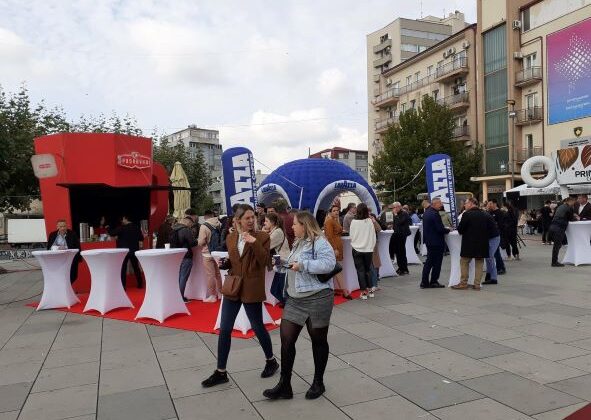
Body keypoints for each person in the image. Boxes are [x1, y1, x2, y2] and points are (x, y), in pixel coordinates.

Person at [202, 204, 278, 388]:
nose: (251, 220)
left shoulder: (262, 236)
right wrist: (226, 263)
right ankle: (221, 372)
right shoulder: (230, 237)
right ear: (238, 221)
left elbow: (265, 261)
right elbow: (235, 262)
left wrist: (253, 241)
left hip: (252, 286)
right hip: (234, 286)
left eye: (253, 217)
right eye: (247, 218)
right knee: (225, 328)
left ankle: (271, 361)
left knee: (258, 326)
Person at [263, 211, 336, 401]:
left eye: (295, 224)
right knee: (287, 340)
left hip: (318, 297)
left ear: (305, 225)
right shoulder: (297, 242)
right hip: (295, 299)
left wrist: (302, 265)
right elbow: (293, 264)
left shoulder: (319, 241)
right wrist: (279, 264)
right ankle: (284, 385)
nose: (292, 227)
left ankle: (318, 382)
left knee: (318, 340)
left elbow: (329, 264)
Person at [452, 198, 489, 290]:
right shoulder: (484, 214)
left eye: (466, 203)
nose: (465, 205)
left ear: (471, 203)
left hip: (469, 243)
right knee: (479, 263)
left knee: (464, 262)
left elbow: (460, 229)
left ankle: (463, 283)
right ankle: (477, 284)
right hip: (482, 243)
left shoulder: (467, 214)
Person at [323, 205, 352, 299]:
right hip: (334, 247)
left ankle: (332, 289)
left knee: (334, 269)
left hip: (337, 246)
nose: (336, 212)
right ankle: (344, 291)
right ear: (330, 212)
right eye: (334, 210)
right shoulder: (329, 221)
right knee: (337, 269)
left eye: (337, 210)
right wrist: (334, 248)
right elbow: (329, 237)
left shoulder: (334, 220)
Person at [108, 215, 144, 288]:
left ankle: (123, 286)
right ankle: (140, 284)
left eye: (123, 218)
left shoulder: (122, 228)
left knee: (123, 268)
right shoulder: (136, 227)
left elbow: (112, 233)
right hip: (134, 250)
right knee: (136, 267)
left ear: (125, 219)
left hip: (124, 251)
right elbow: (141, 238)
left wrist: (107, 227)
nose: (122, 220)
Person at [420, 198, 449, 289]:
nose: (441, 205)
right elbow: (439, 229)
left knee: (429, 262)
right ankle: (433, 281)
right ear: (434, 204)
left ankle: (424, 282)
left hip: (429, 241)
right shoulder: (435, 214)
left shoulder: (426, 213)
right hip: (436, 242)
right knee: (436, 263)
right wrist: (448, 230)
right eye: (439, 203)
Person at [349, 203, 376, 299]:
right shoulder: (369, 221)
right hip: (368, 249)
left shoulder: (353, 222)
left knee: (360, 271)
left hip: (356, 249)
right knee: (368, 270)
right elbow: (373, 236)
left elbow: (351, 236)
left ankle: (364, 292)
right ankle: (370, 291)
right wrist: (371, 246)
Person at [197, 210, 223, 302]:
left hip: (207, 253)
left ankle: (212, 295)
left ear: (205, 216)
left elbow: (201, 242)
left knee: (210, 275)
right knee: (218, 274)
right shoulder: (219, 223)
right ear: (213, 215)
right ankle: (221, 293)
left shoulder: (204, 226)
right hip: (217, 252)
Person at [47, 219, 81, 284]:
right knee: (58, 278)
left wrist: (65, 247)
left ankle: (68, 288)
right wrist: (58, 248)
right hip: (57, 261)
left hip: (69, 260)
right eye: (60, 226)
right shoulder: (52, 235)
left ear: (66, 226)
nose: (62, 228)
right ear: (57, 227)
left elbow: (77, 247)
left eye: (64, 226)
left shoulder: (72, 234)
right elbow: (49, 248)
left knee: (72, 277)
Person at [548, 196, 578, 267]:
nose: (574, 203)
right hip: (559, 228)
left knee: (557, 245)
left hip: (552, 227)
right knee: (557, 245)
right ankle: (554, 262)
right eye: (574, 202)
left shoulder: (560, 206)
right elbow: (571, 219)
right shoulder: (569, 208)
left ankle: (554, 261)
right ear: (571, 201)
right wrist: (576, 218)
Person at [487, 199, 507, 275]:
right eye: (489, 204)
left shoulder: (500, 213)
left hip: (497, 235)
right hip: (491, 235)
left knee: (496, 252)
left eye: (491, 204)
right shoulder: (489, 212)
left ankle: (501, 268)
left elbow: (501, 225)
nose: (489, 205)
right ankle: (498, 267)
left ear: (495, 204)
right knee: (495, 252)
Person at [391, 202, 411, 275]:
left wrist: (395, 215)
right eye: (393, 207)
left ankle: (404, 269)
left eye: (394, 207)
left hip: (402, 235)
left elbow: (400, 222)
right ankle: (400, 268)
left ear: (399, 207)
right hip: (396, 234)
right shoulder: (396, 214)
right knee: (398, 252)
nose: (394, 209)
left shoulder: (404, 213)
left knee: (401, 251)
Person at [483, 210, 501, 285]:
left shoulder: (484, 217)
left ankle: (493, 278)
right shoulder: (485, 216)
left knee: (490, 257)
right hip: (492, 237)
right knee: (488, 257)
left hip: (494, 238)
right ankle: (489, 274)